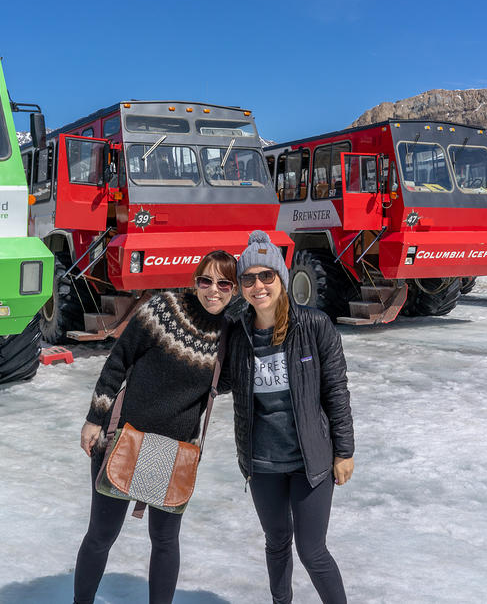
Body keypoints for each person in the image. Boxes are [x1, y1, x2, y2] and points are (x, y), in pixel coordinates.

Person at [73, 250, 238, 604]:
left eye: (224, 283)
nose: (213, 290)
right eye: (205, 280)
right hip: (121, 439)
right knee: (101, 535)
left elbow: (225, 383)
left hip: (172, 453)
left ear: (234, 290)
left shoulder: (227, 334)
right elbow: (119, 360)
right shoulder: (163, 308)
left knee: (164, 540)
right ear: (195, 281)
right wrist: (94, 418)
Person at [224, 230, 355, 604]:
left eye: (267, 276)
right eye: (248, 279)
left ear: (281, 278)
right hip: (262, 462)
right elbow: (214, 380)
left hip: (309, 460)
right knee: (277, 543)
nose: (258, 285)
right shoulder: (238, 335)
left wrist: (344, 451)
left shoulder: (314, 326)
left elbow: (336, 392)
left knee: (312, 550)